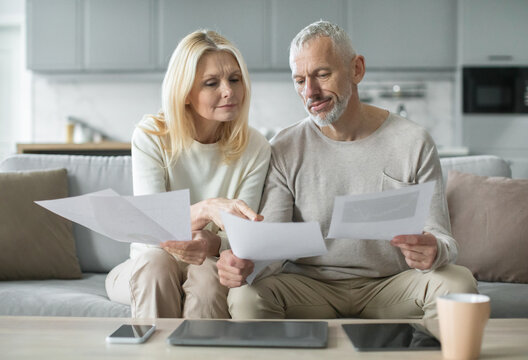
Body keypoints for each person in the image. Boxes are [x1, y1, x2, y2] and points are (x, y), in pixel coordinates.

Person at [217, 20, 477, 319]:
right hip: (310, 286)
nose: (310, 92)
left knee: (459, 284)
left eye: (322, 74)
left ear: (357, 69)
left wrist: (434, 249)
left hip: (392, 284)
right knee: (246, 296)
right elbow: (271, 247)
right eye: (299, 80)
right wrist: (246, 263)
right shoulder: (285, 147)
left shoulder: (413, 141)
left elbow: (443, 238)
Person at [105, 30, 271, 318]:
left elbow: (243, 235)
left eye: (234, 79)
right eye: (211, 83)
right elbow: (151, 226)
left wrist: (212, 243)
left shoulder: (255, 146)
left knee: (207, 277)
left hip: (209, 260)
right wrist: (207, 209)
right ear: (184, 94)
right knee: (156, 264)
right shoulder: (151, 135)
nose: (228, 90)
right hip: (149, 262)